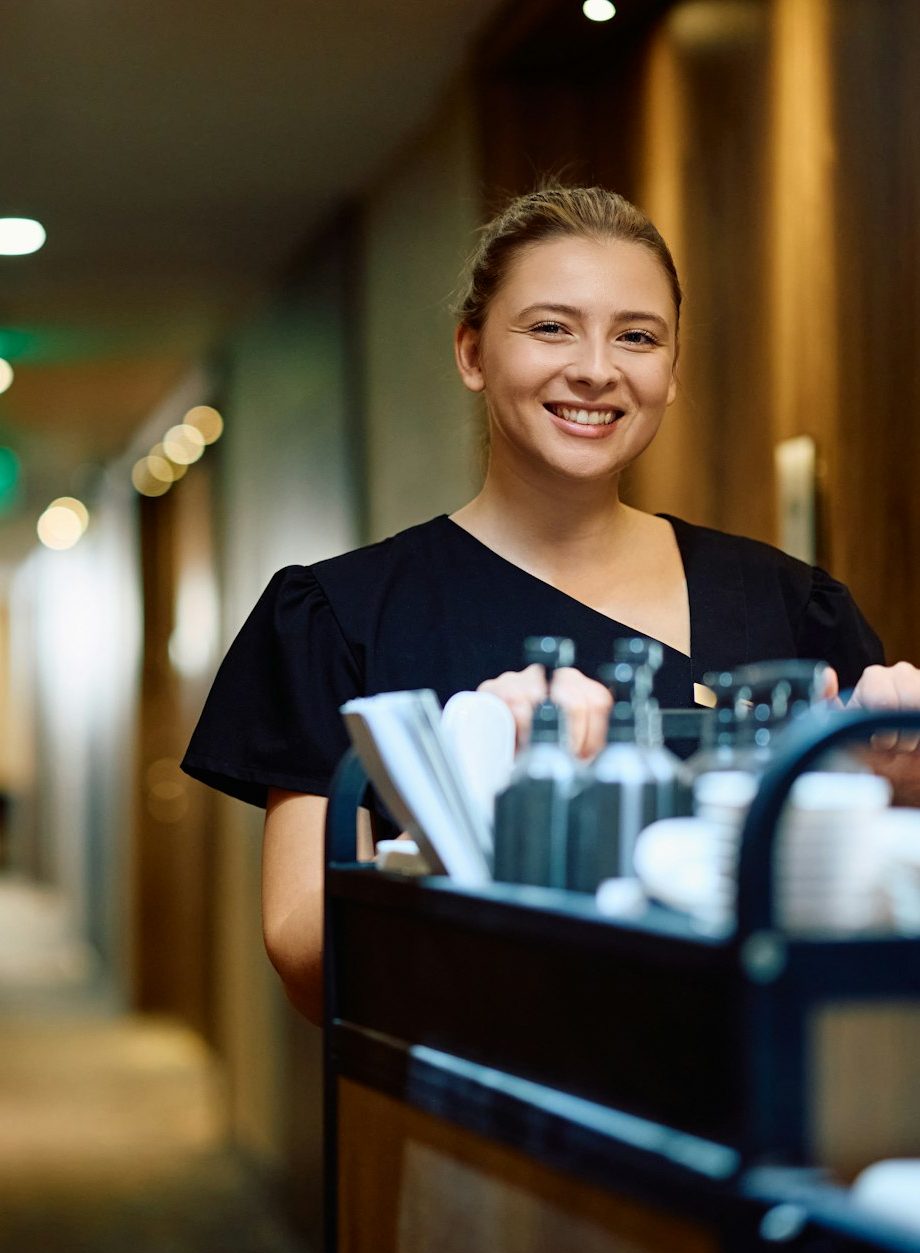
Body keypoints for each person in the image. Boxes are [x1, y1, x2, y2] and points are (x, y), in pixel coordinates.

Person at [182, 186, 920, 1024]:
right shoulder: (341, 614)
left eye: (637, 337)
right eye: (550, 327)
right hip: (480, 1114)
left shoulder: (791, 605)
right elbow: (306, 954)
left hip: (750, 1108)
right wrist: (460, 803)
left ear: (671, 372)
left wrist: (897, 792)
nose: (597, 368)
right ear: (471, 350)